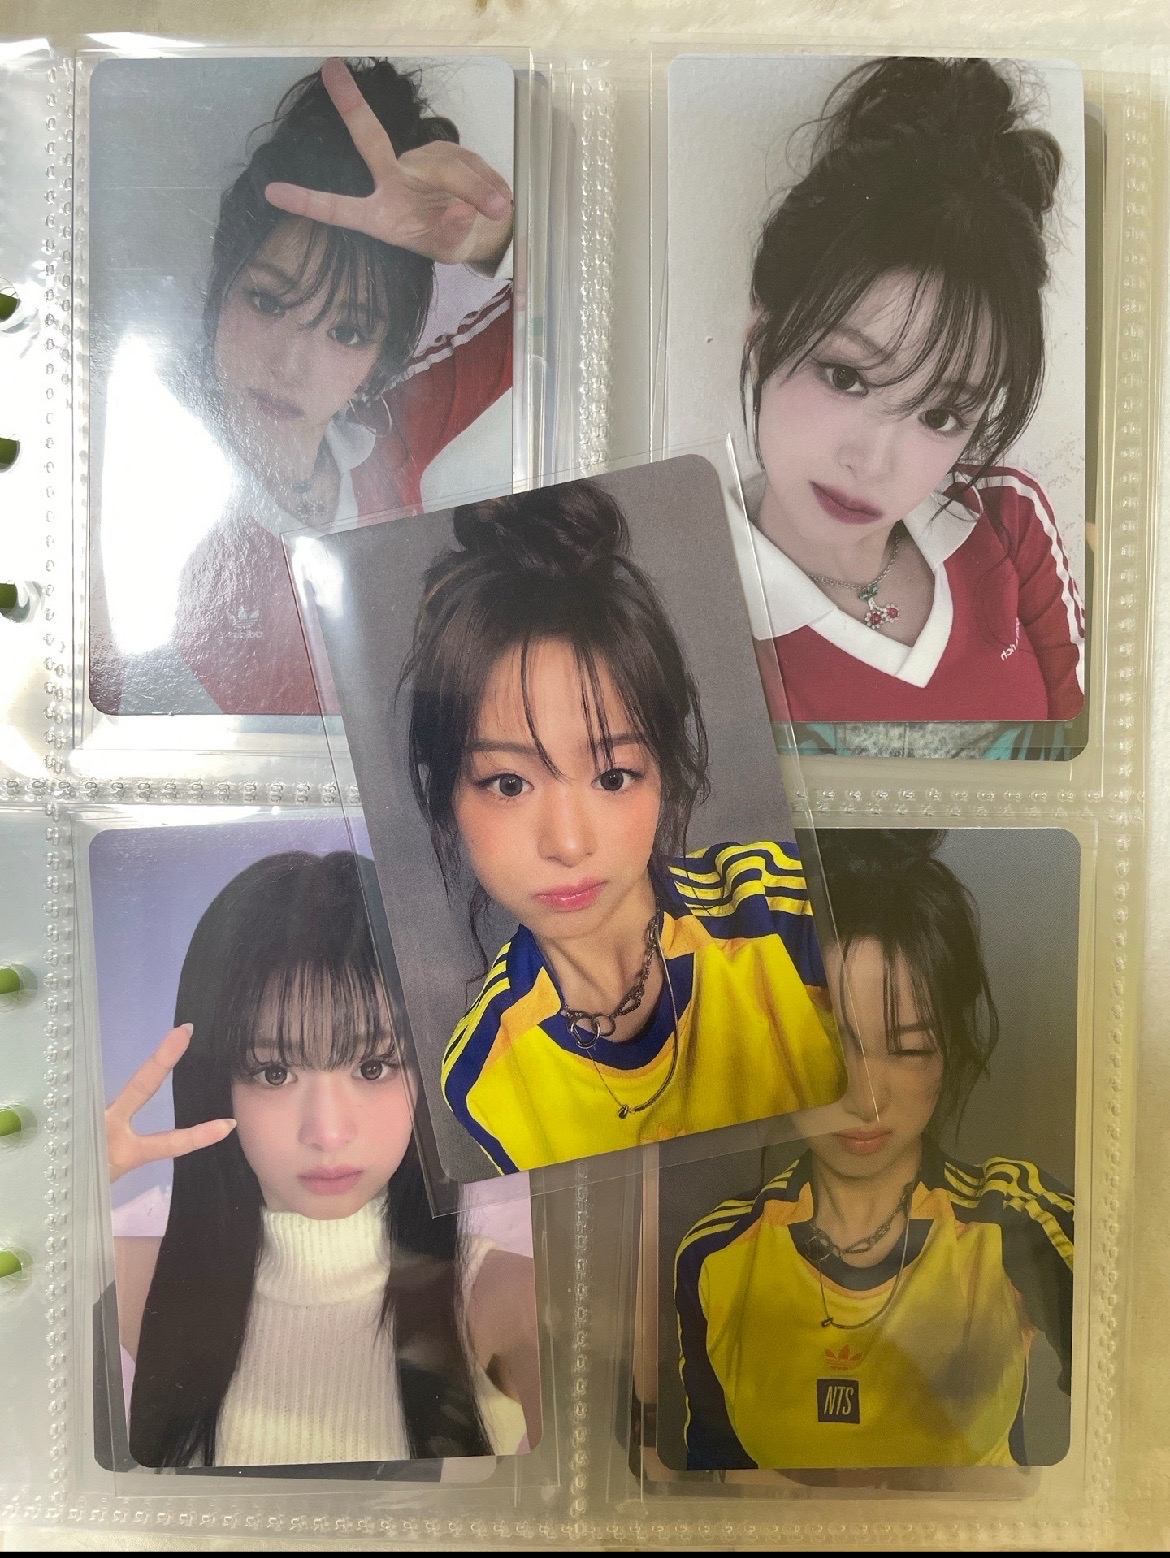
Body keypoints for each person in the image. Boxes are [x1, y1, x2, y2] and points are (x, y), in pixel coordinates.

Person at [400, 478, 845, 1175]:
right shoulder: (487, 1076)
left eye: (612, 777)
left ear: (665, 770)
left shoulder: (787, 912)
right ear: (447, 793)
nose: (568, 844)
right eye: (509, 784)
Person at [91, 56, 514, 716]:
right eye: (266, 301)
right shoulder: (143, 478)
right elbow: (93, 702)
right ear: (220, 291)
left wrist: (491, 235)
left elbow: (577, 314)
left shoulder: (388, 436)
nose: (290, 365)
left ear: (379, 361)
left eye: (347, 332)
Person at [105, 851, 539, 1469]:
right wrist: (55, 1185)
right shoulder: (128, 1281)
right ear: (217, 1083)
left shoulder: (503, 1299)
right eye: (274, 1073)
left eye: (374, 1067)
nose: (328, 1133)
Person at [675, 831, 1073, 1470]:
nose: (863, 1096)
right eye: (825, 1046)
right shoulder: (716, 1254)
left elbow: (1140, 1396)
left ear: (950, 1051)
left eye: (909, 1048)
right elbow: (713, 1492)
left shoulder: (1015, 1222)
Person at [740, 58, 1085, 753]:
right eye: (847, 377)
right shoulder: (677, 603)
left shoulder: (1008, 519)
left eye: (940, 416)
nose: (874, 463)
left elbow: (1099, 772)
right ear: (762, 337)